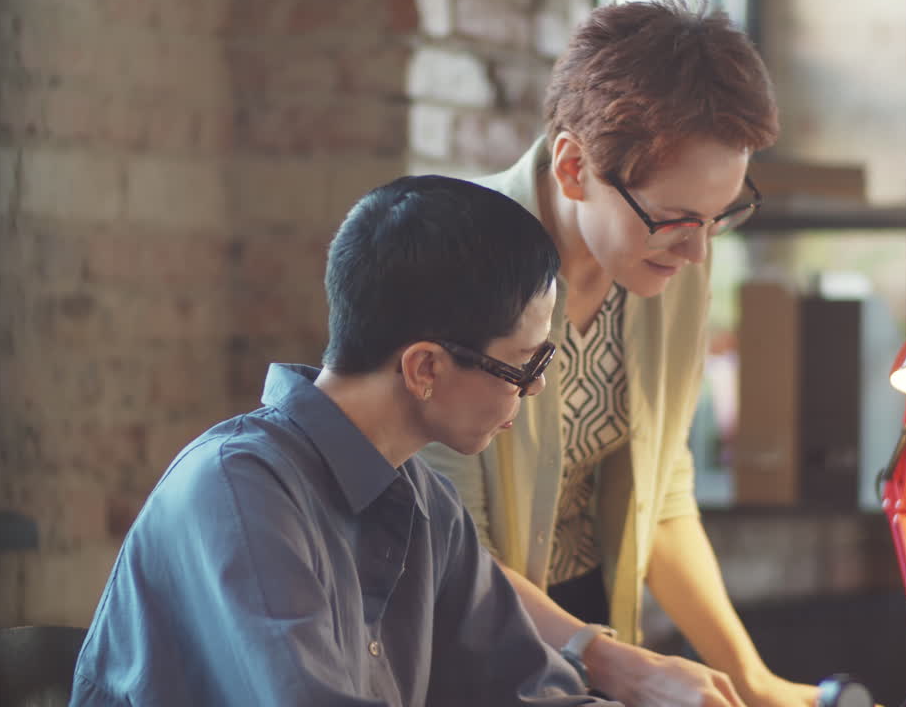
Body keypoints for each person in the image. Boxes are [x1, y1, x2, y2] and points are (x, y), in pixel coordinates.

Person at [69, 176, 625, 707]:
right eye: (525, 365)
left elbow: (531, 691)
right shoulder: (237, 493)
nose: (538, 387)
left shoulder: (427, 504)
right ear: (424, 367)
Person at [420, 0, 819, 707]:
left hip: (589, 635)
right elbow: (448, 554)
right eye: (674, 220)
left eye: (721, 216)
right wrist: (617, 665)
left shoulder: (669, 263)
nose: (699, 251)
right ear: (574, 168)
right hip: (467, 653)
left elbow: (663, 497)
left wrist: (753, 681)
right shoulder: (452, 266)